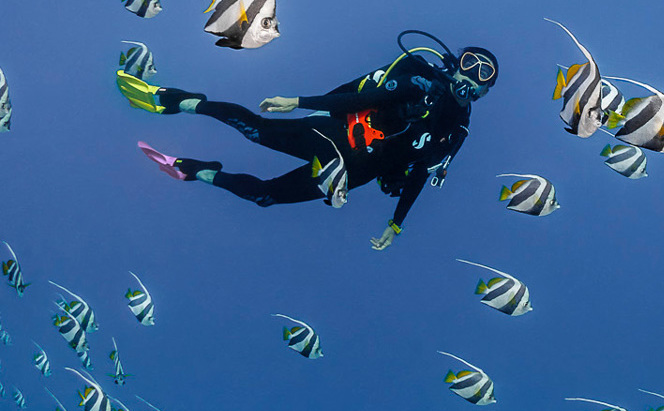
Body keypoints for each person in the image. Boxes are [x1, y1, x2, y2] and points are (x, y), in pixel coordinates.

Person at [117, 33, 496, 250]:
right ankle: (175, 100)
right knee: (255, 130)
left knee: (264, 197)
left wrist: (396, 225)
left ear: (484, 91)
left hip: (357, 172)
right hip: (335, 135)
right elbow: (363, 99)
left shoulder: (456, 130)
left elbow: (417, 177)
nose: (474, 75)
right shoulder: (421, 80)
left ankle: (195, 171)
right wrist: (299, 102)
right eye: (470, 63)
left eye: (484, 74)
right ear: (455, 62)